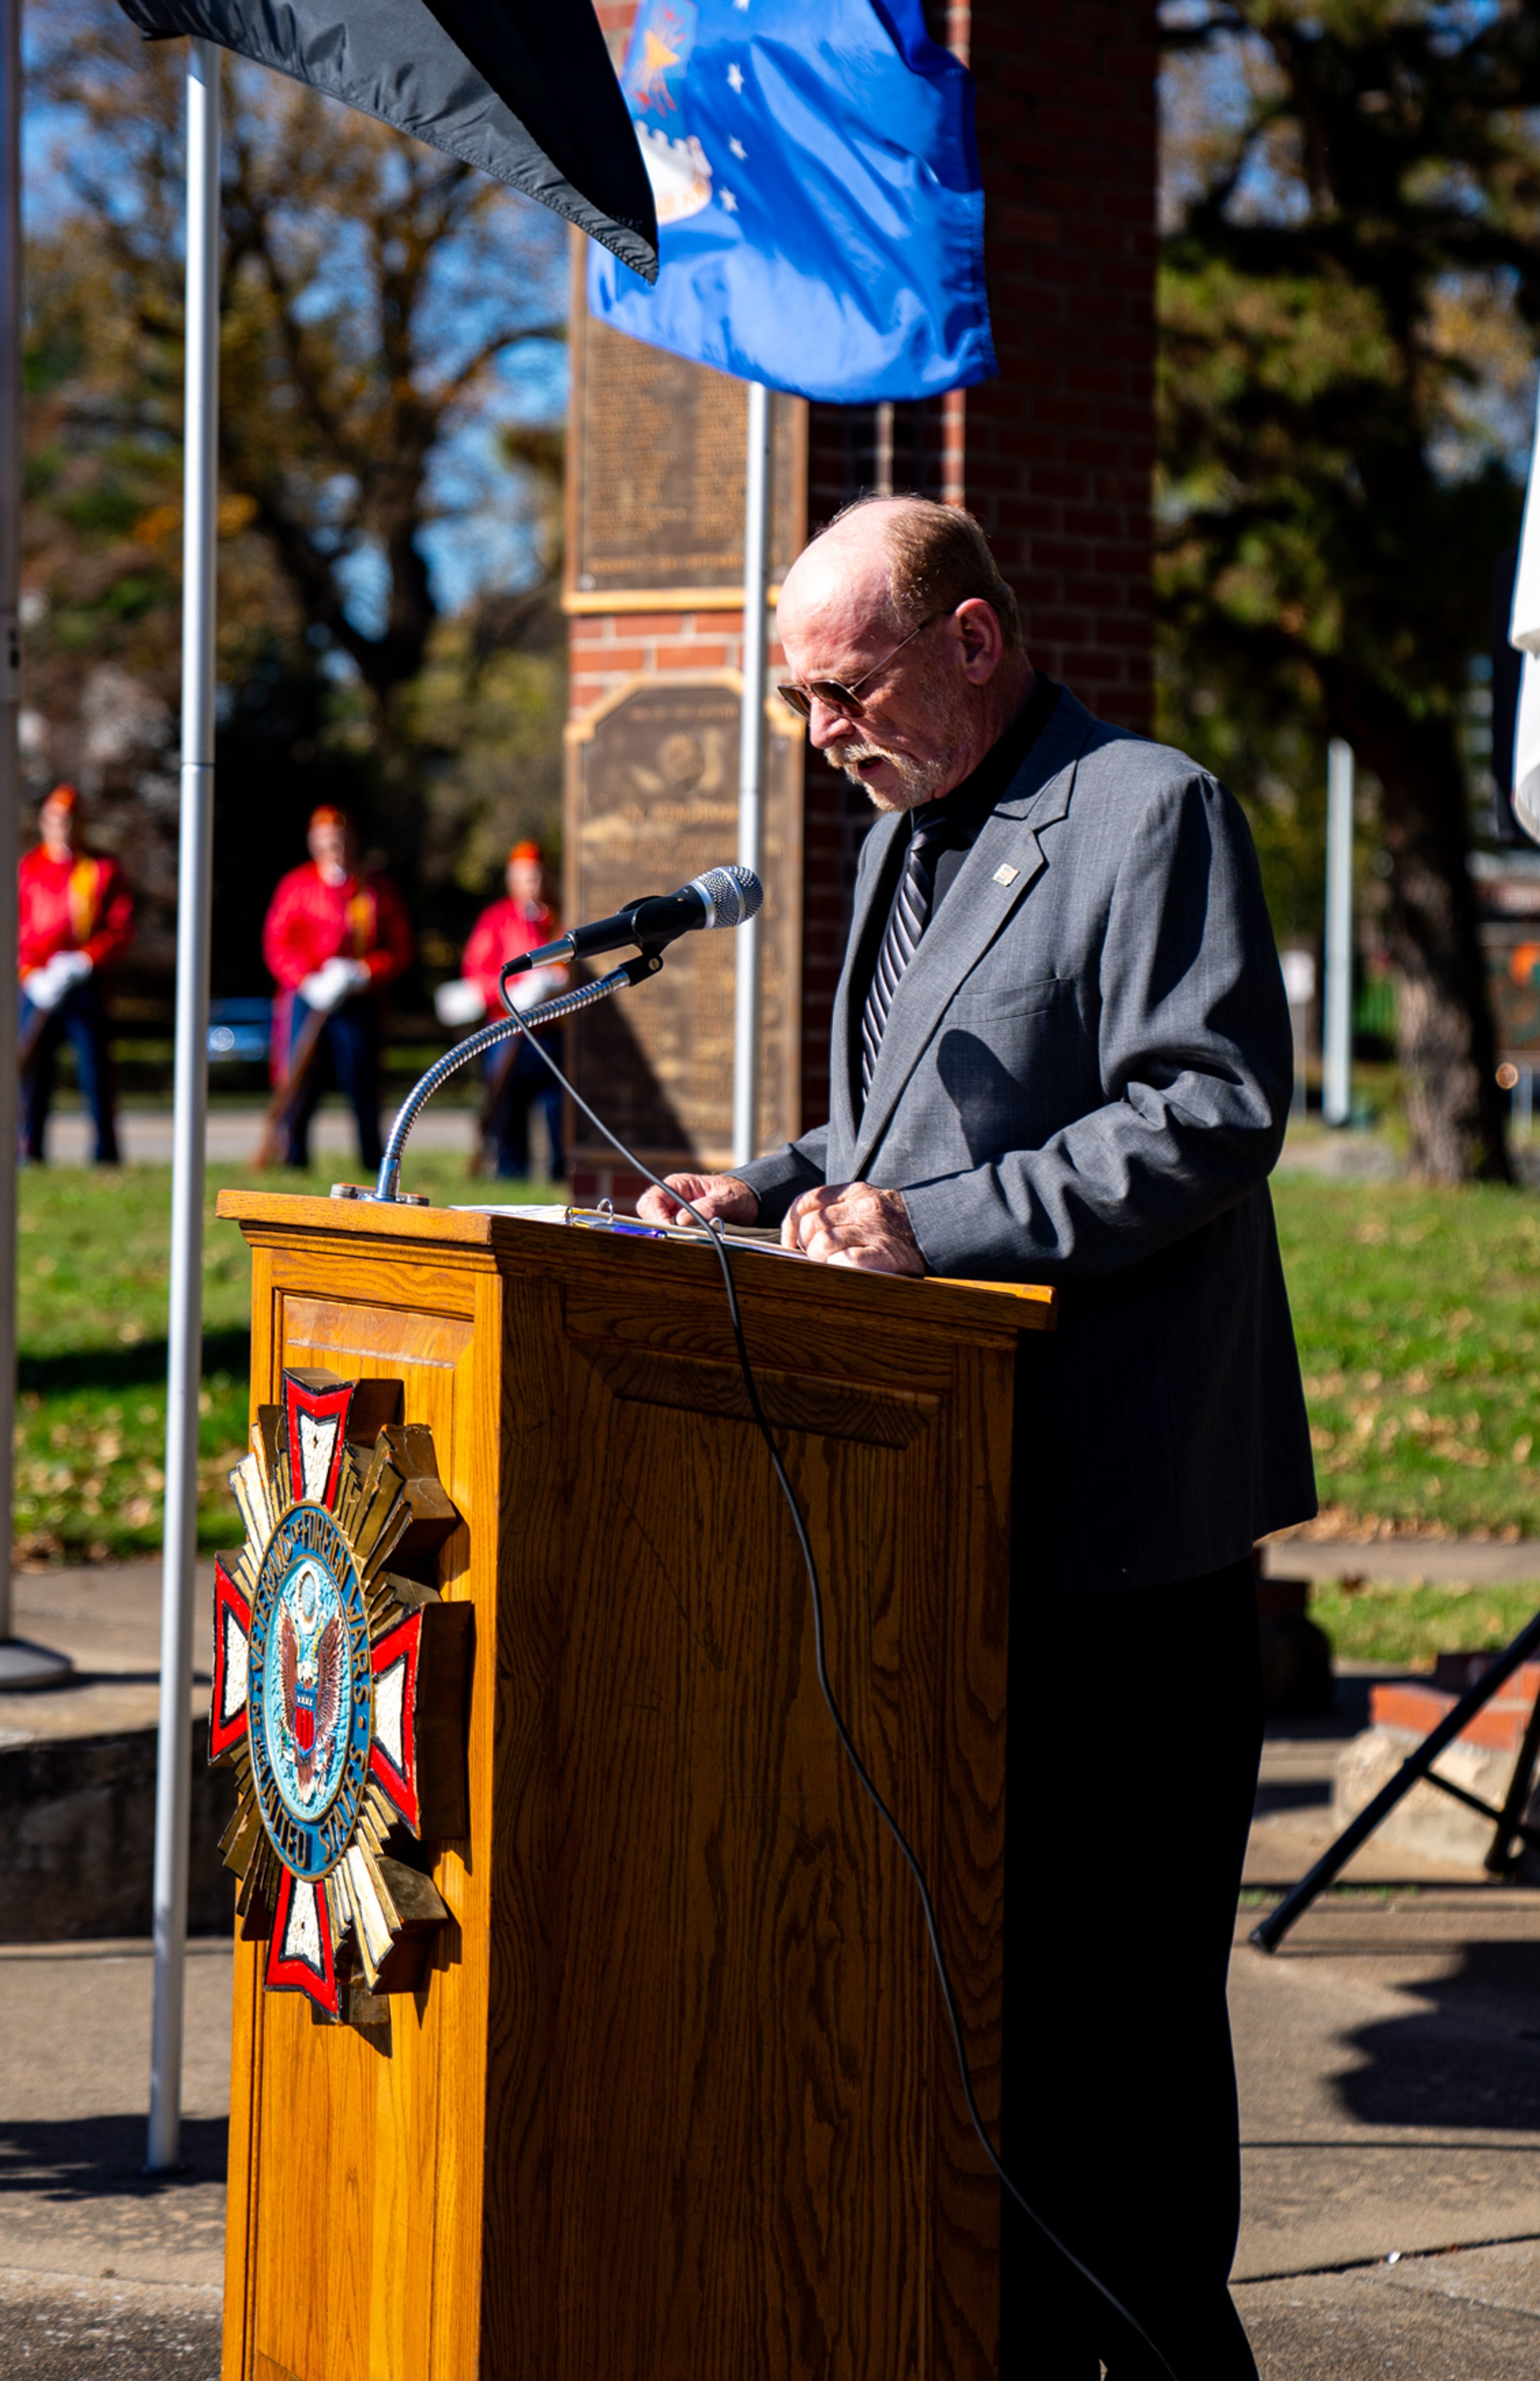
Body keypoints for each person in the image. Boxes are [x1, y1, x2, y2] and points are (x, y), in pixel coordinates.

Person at [637, 495, 1315, 2379]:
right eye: (795, 703)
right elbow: (904, 1134)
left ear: (971, 641)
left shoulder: (1143, 811)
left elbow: (1208, 1110)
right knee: (993, 2011)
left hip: (1119, 1528)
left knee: (1126, 2027)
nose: (820, 735)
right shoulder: (904, 839)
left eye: (842, 689)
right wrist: (766, 1185)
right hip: (947, 1519)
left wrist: (931, 1230)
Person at [261, 805, 414, 1170]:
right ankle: (293, 1157)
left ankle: (372, 1161)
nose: (336, 849)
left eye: (342, 841)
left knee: (363, 1083)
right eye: (328, 842)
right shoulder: (296, 886)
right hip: (309, 998)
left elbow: (399, 946)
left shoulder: (376, 888)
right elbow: (278, 944)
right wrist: (307, 980)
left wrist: (363, 971)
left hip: (359, 1000)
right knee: (301, 1082)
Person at [18, 783, 135, 1165]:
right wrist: (31, 975)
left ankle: (105, 1153)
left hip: (86, 985)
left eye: (69, 821)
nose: (62, 828)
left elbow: (119, 928)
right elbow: (12, 928)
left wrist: (85, 960)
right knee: (32, 1074)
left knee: (95, 1073)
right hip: (38, 987)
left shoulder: (100, 869)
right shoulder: (29, 869)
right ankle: (28, 1150)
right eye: (55, 820)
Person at [460, 841, 568, 1180]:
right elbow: (477, 973)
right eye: (525, 875)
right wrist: (515, 991)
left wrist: (555, 983)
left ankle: (561, 1173)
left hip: (551, 1031)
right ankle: (511, 1172)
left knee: (558, 1108)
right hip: (507, 1030)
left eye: (537, 874)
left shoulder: (558, 917)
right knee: (508, 1106)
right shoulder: (496, 919)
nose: (532, 881)